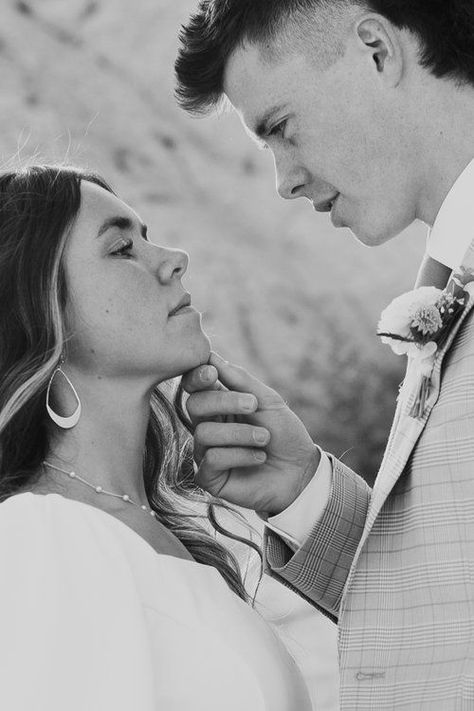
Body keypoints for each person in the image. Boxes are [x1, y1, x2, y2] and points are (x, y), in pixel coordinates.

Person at [175, 1, 474, 708]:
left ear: (376, 49)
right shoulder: (448, 274)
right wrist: (306, 493)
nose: (285, 180)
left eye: (281, 127)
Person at [0, 164, 313, 711]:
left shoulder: (157, 531)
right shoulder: (39, 537)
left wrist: (303, 488)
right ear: (38, 308)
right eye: (122, 248)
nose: (173, 259)